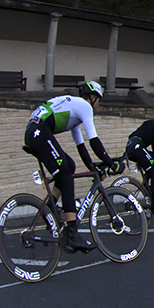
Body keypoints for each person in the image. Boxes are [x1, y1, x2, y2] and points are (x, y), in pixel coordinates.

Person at [24, 80, 123, 252]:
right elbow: (94, 141)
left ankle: (49, 208)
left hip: (35, 131)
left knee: (69, 166)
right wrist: (111, 163)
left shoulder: (74, 111)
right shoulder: (85, 107)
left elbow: (82, 147)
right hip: (39, 131)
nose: (98, 104)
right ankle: (72, 233)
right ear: (92, 97)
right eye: (99, 100)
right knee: (66, 176)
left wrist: (93, 169)